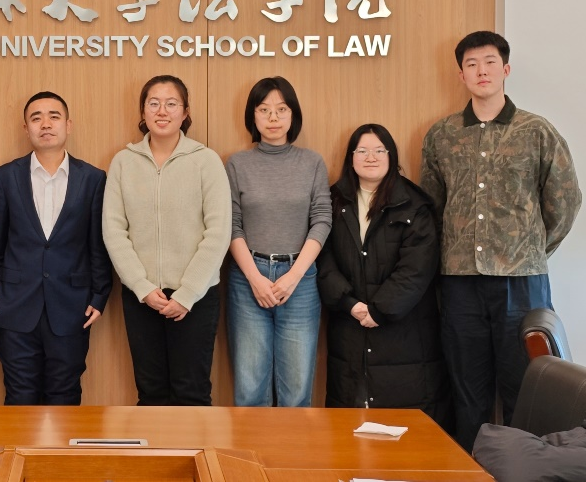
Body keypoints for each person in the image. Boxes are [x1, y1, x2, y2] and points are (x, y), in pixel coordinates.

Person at [421, 30, 581, 451]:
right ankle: (469, 471)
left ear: (505, 69)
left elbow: (565, 200)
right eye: (472, 64)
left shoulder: (536, 130)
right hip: (459, 282)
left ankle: (522, 470)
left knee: (525, 387)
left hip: (521, 282)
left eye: (490, 62)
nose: (482, 71)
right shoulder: (442, 135)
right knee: (466, 389)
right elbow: (431, 207)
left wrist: (530, 249)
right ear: (461, 75)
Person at [102, 74, 231, 406]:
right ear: (143, 111)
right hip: (142, 296)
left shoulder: (206, 160)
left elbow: (218, 233)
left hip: (196, 297)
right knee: (151, 393)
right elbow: (114, 230)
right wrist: (142, 287)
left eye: (172, 104)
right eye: (154, 103)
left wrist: (187, 294)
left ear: (185, 112)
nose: (162, 111)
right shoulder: (123, 162)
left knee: (192, 392)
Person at [317, 124, 451, 427]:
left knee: (403, 428)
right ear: (351, 157)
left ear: (391, 156)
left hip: (404, 330)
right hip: (349, 324)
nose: (371, 157)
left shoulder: (415, 204)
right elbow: (323, 259)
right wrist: (349, 303)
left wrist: (380, 309)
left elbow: (417, 268)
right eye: (362, 150)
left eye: (380, 150)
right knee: (348, 425)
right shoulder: (333, 200)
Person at [0, 91, 111, 405]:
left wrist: (99, 295)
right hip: (14, 304)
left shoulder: (93, 178)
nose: (45, 124)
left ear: (68, 125)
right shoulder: (6, 176)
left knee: (64, 395)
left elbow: (97, 243)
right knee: (19, 396)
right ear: (26, 128)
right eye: (36, 118)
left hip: (72, 305)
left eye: (54, 116)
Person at [224, 76, 330, 407]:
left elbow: (322, 220)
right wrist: (255, 279)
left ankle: (292, 446)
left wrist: (294, 275)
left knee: (296, 389)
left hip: (301, 277)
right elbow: (232, 225)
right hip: (248, 278)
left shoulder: (312, 162)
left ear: (293, 114)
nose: (273, 117)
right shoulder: (237, 163)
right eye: (264, 109)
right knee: (250, 387)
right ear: (252, 116)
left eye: (281, 109)